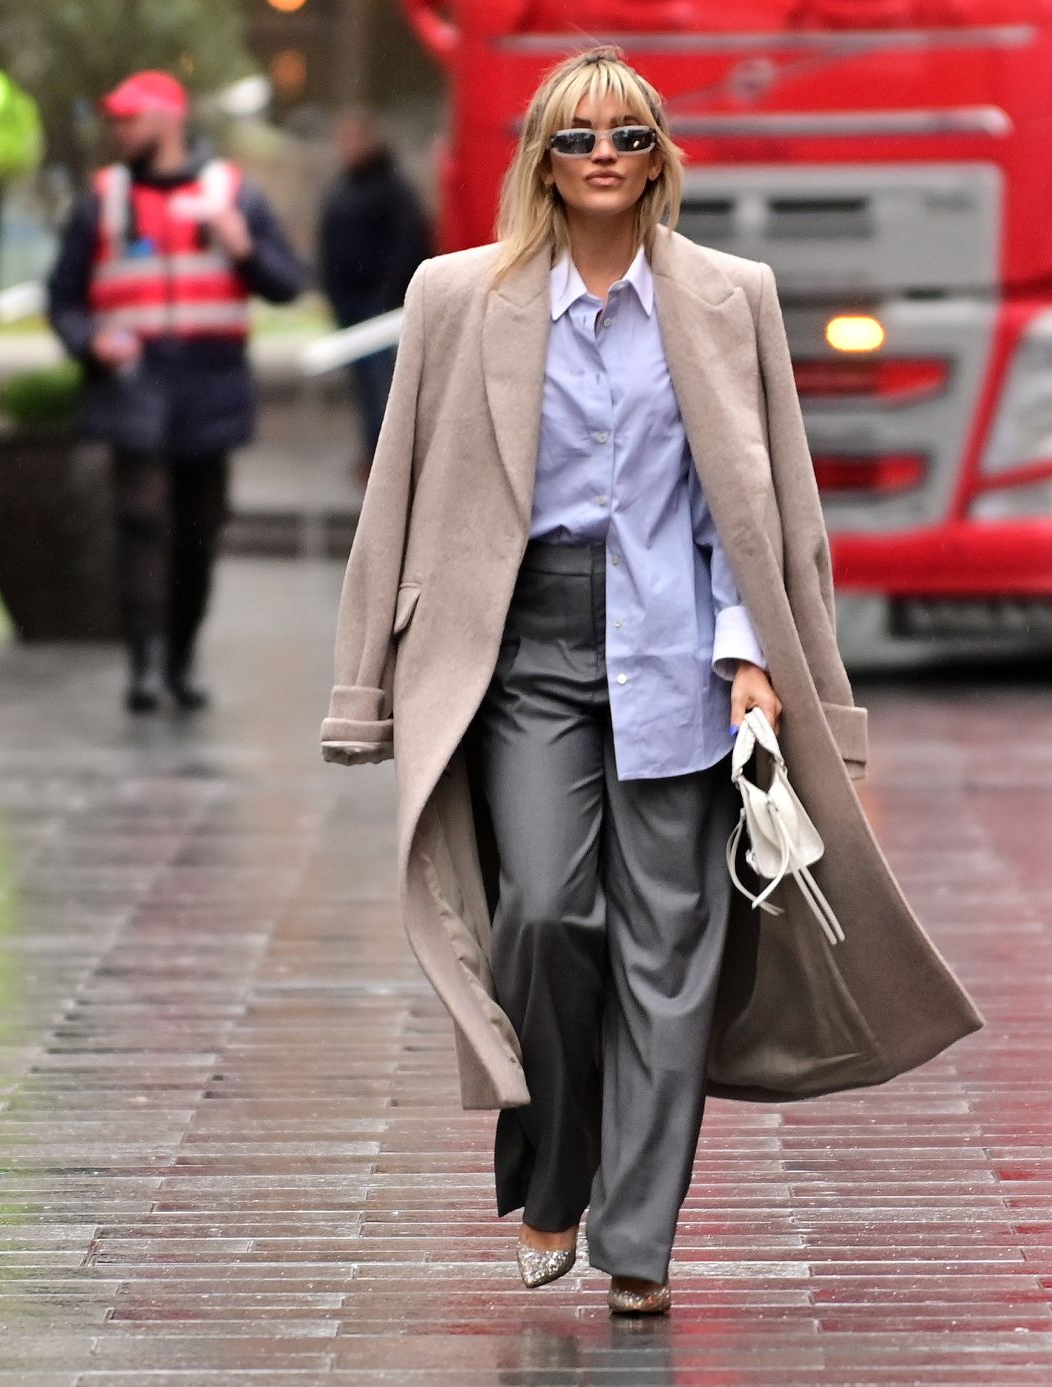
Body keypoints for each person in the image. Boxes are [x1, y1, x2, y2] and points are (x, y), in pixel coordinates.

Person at [319, 46, 983, 1316]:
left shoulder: (731, 297)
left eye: (628, 133)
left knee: (668, 950)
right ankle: (552, 1173)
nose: (604, 154)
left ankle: (637, 1238)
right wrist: (365, 687)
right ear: (541, 159)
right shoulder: (458, 297)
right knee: (547, 916)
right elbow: (394, 493)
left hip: (680, 646)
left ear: (660, 152)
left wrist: (753, 654)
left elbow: (763, 503)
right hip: (526, 651)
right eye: (577, 137)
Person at [47, 70, 303, 713]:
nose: (118, 130)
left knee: (198, 530)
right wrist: (89, 342)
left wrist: (243, 249)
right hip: (132, 387)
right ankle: (145, 664)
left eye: (130, 119)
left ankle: (181, 656)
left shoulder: (232, 195)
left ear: (168, 121)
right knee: (141, 522)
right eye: (115, 120)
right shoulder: (102, 198)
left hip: (209, 386)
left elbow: (287, 282)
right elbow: (64, 298)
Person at [318, 109, 429, 484]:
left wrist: (388, 293)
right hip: (349, 301)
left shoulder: (390, 188)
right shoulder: (344, 187)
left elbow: (407, 243)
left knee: (383, 388)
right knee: (366, 389)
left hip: (378, 306)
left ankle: (388, 463)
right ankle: (374, 454)